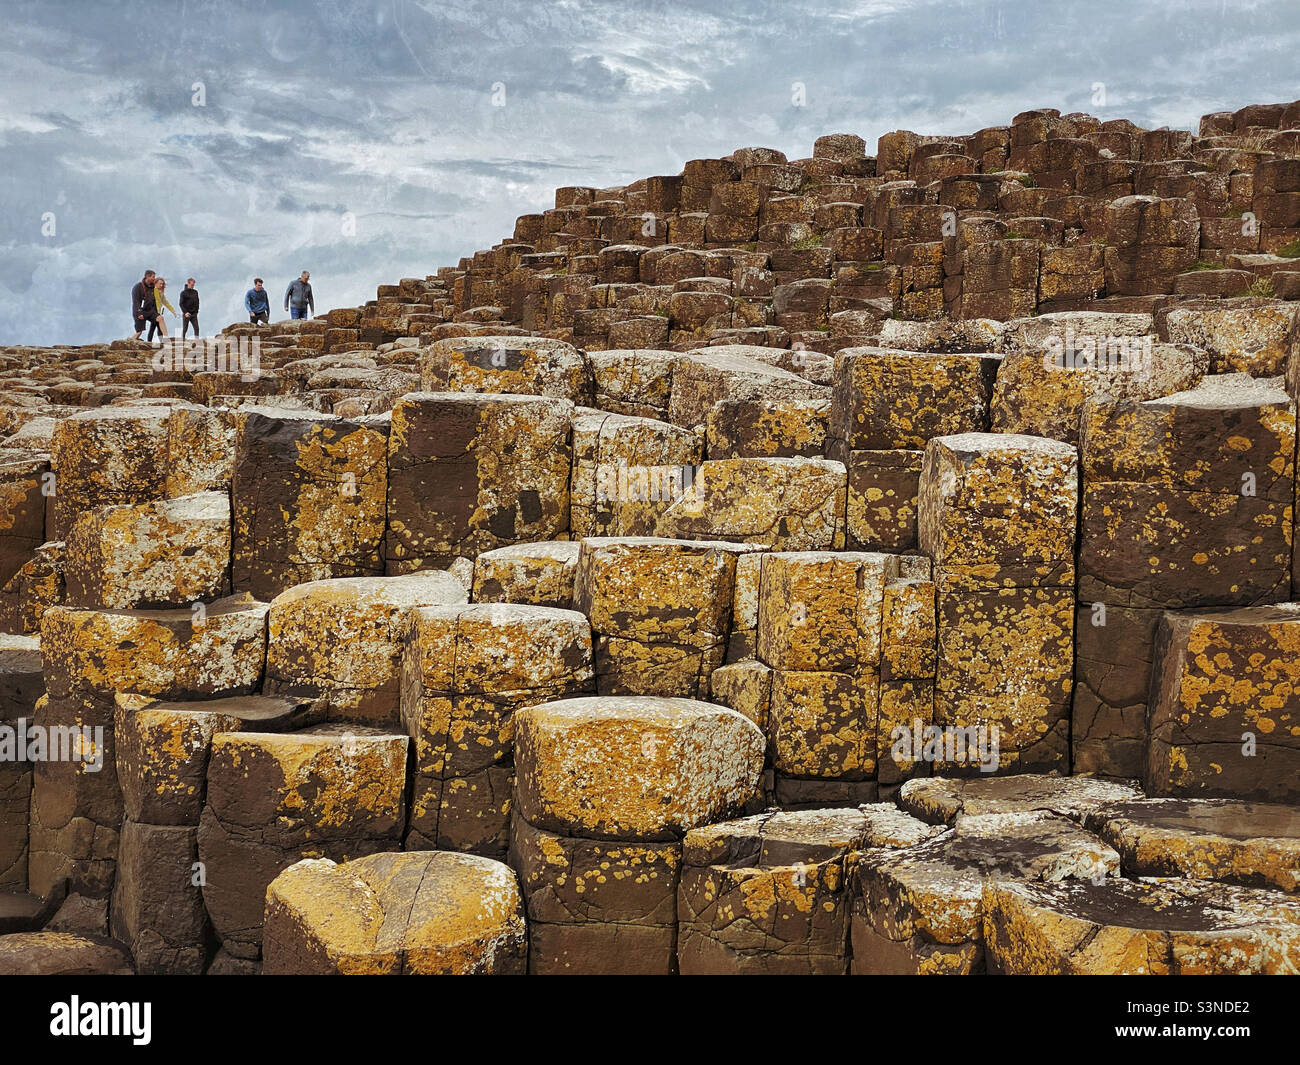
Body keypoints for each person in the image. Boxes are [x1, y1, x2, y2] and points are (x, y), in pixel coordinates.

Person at [147, 276, 177, 342]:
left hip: (158, 313)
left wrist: (173, 311)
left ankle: (151, 342)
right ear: (155, 283)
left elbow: (165, 302)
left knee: (154, 328)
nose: (161, 285)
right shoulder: (153, 291)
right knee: (156, 328)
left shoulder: (161, 292)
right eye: (160, 283)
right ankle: (156, 342)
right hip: (153, 313)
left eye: (162, 284)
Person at [131, 270, 156, 339]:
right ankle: (128, 343)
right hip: (139, 311)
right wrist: (139, 313)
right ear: (147, 276)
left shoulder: (152, 288)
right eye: (153, 277)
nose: (154, 279)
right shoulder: (138, 287)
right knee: (139, 332)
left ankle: (155, 341)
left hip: (149, 312)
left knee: (159, 319)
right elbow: (136, 301)